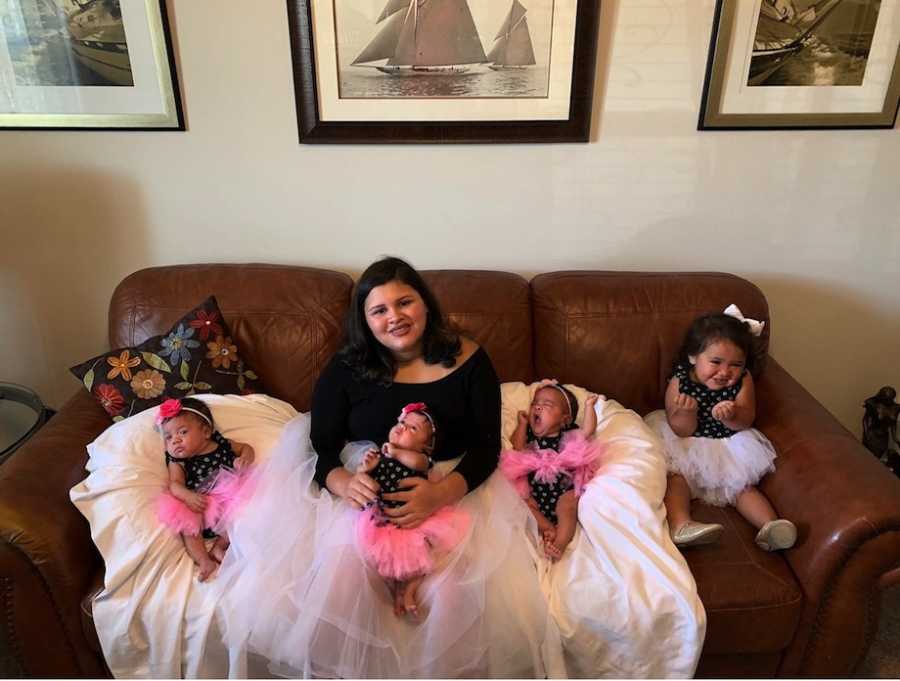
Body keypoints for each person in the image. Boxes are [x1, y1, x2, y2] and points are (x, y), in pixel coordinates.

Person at [214, 256, 557, 678]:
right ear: (365, 320)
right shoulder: (347, 367)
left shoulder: (469, 359)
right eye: (379, 310)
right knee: (344, 574)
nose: (394, 317)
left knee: (451, 592)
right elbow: (320, 442)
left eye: (405, 303)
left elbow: (487, 448)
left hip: (453, 488)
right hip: (362, 490)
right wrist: (341, 482)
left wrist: (439, 493)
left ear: (425, 305)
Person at [645, 306, 797, 551]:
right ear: (694, 356)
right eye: (716, 361)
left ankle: (770, 527)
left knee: (742, 488)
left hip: (727, 444)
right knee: (676, 481)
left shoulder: (744, 380)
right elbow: (679, 429)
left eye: (736, 364)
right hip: (685, 441)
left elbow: (746, 419)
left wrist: (732, 415)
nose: (725, 372)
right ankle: (681, 525)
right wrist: (686, 413)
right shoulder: (681, 378)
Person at [353, 402, 470, 617]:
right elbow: (364, 479)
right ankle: (399, 593)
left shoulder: (420, 458)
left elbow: (418, 463)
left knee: (423, 558)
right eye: (401, 422)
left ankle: (410, 592)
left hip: (415, 521)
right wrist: (365, 468)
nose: (402, 427)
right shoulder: (381, 456)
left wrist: (396, 452)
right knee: (395, 564)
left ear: (425, 447)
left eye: (412, 428)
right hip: (386, 522)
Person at [500, 380, 602, 560]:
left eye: (547, 405)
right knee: (523, 504)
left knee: (568, 506)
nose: (538, 408)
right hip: (536, 492)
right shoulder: (531, 438)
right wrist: (523, 424)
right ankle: (547, 527)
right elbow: (517, 447)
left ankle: (560, 542)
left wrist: (589, 407)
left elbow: (588, 430)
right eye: (535, 404)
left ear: (565, 419)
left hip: (563, 489)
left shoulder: (567, 435)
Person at [155, 397, 255, 581]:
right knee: (188, 526)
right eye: (168, 437)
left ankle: (219, 546)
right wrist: (187, 496)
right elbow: (175, 484)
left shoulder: (221, 443)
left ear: (206, 432)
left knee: (242, 513)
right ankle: (204, 561)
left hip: (227, 498)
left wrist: (244, 459)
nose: (175, 440)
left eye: (182, 432)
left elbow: (246, 448)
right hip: (198, 503)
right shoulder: (178, 461)